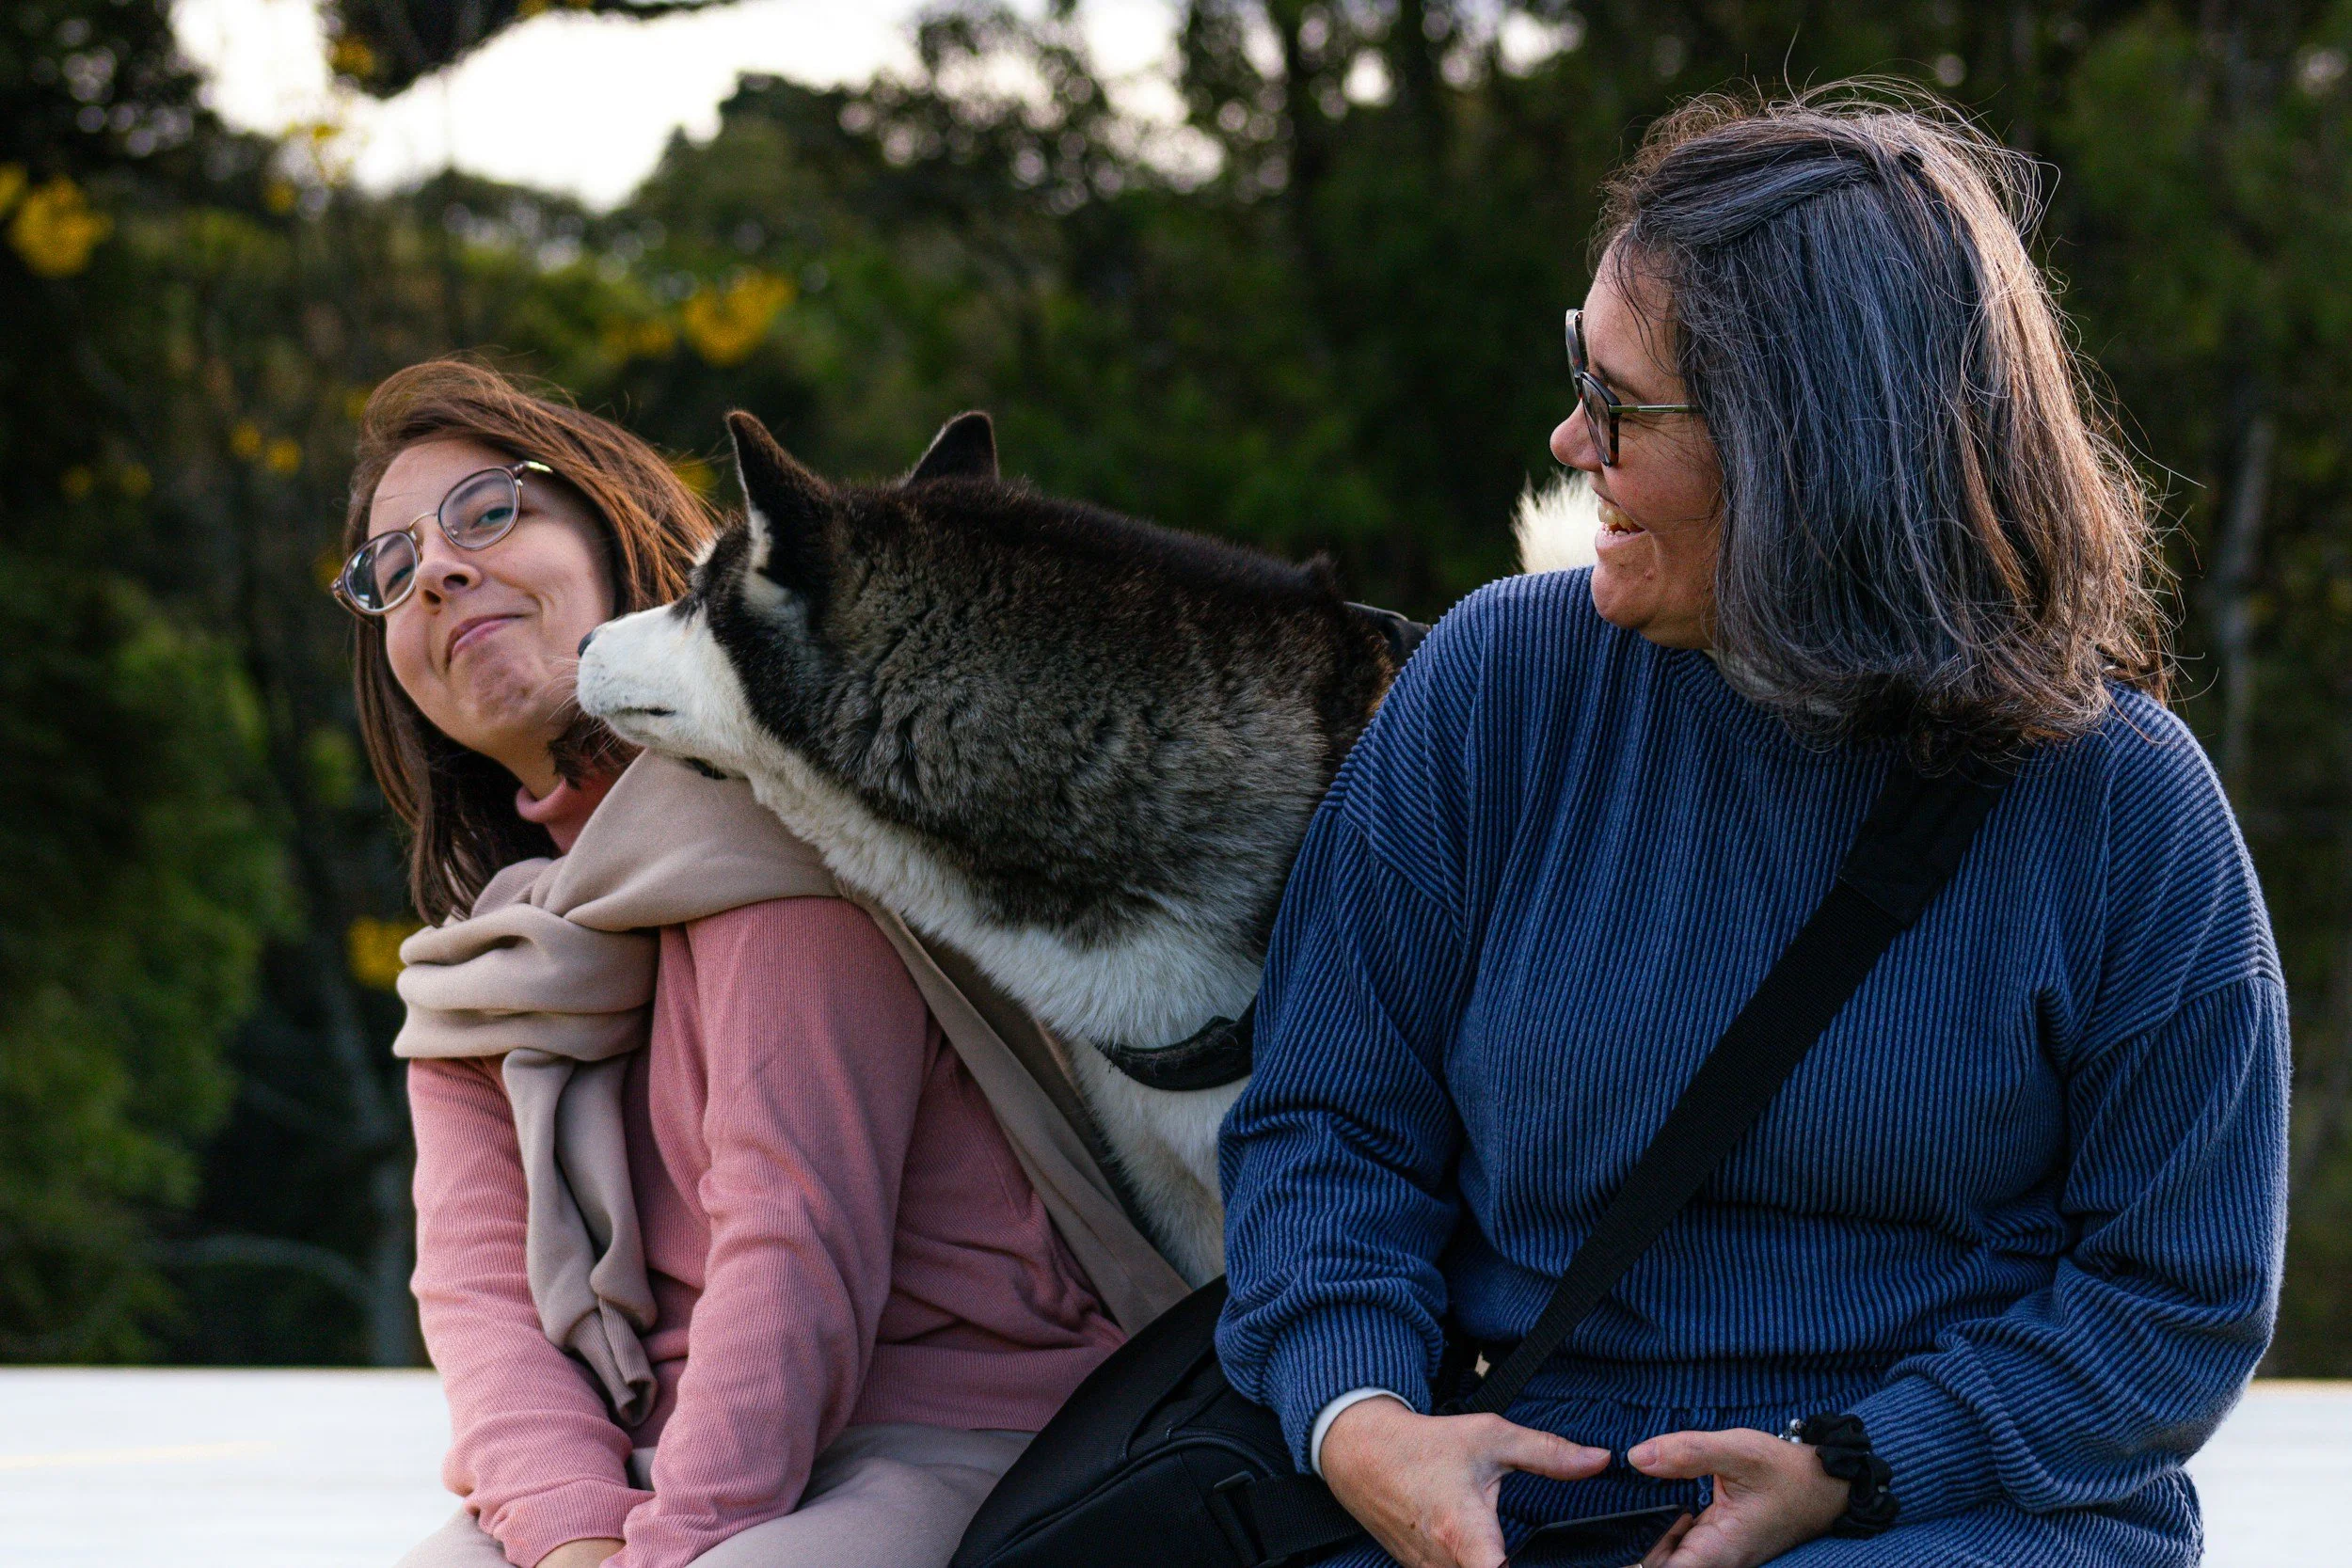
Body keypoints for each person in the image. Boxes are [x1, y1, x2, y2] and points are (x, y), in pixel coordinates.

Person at [1215, 89, 2288, 1568]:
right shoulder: (1492, 694)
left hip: (1947, 1519)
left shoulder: (2121, 808)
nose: (1568, 437)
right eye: (1576, 369)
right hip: (1504, 1507)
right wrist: (1366, 1419)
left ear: (1809, 454)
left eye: (1624, 404)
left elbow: (2178, 1292)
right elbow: (1326, 1128)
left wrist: (1859, 1463)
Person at [341, 360, 1184, 1568]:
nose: (437, 569)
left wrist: (670, 1541)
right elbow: (482, 1312)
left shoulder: (770, 826)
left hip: (949, 1436)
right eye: (391, 568)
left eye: (487, 510)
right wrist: (576, 1535)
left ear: (610, 531)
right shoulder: (486, 967)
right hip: (647, 1462)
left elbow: (793, 1241)